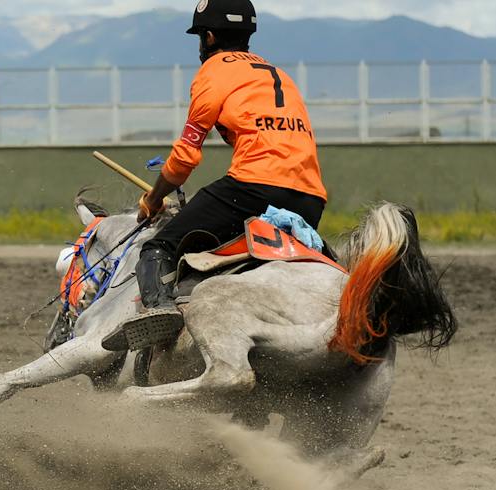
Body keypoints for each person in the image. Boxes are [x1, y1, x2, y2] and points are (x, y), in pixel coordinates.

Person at [102, 0, 327, 352]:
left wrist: (154, 198)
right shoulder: (279, 74)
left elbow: (184, 157)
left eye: (199, 39)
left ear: (207, 38)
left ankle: (160, 314)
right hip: (311, 199)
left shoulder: (213, 72)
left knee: (157, 247)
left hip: (252, 189)